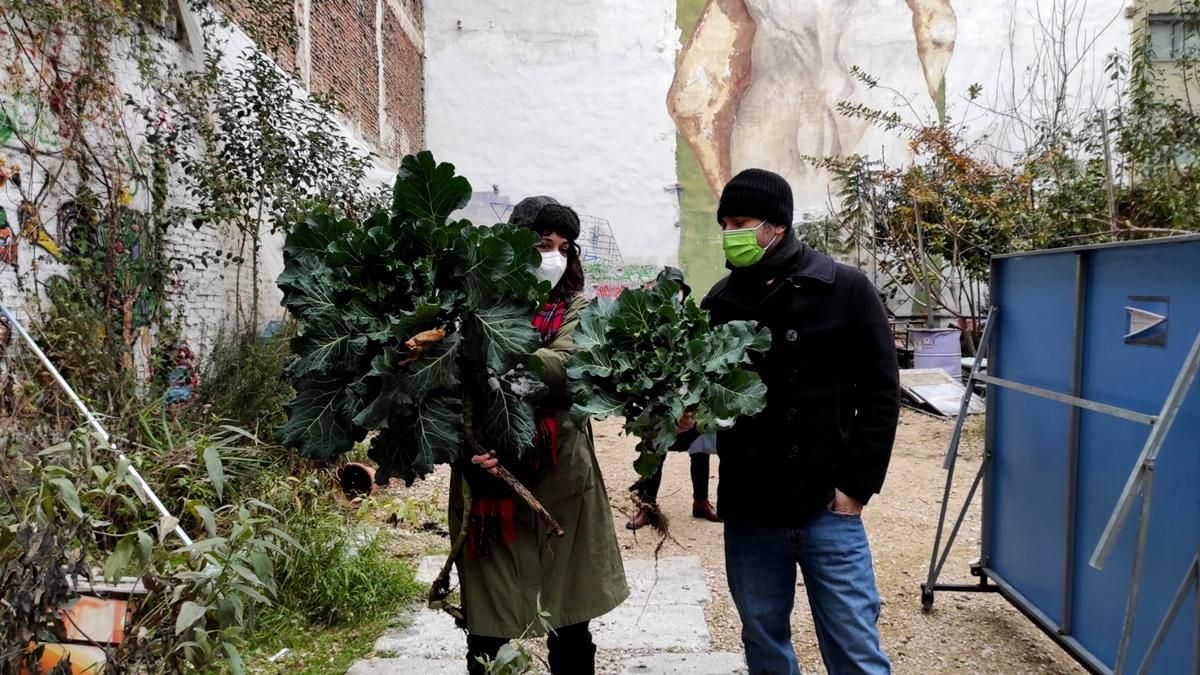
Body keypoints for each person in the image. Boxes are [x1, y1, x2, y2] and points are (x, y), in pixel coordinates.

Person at [701, 169, 901, 675]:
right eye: (724, 223)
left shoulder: (845, 289)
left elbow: (881, 394)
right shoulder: (719, 303)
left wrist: (855, 487)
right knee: (764, 643)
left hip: (826, 505)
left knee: (856, 647)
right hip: (750, 506)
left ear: (777, 225)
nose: (730, 233)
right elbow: (703, 398)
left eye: (740, 222)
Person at [453, 196, 629, 675]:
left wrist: (496, 349)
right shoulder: (472, 304)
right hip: (490, 481)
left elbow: (568, 366)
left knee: (568, 616)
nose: (553, 256)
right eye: (542, 244)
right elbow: (450, 389)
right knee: (489, 622)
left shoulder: (577, 306)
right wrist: (470, 450)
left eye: (562, 248)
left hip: (560, 478)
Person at [626, 266, 720, 530]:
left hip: (690, 404)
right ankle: (647, 508)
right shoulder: (643, 325)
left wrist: (691, 405)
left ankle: (700, 502)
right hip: (656, 404)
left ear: (683, 293)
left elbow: (704, 360)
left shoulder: (696, 322)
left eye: (676, 290)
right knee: (653, 453)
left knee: (700, 451)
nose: (672, 295)